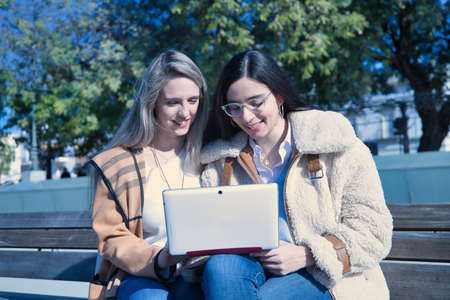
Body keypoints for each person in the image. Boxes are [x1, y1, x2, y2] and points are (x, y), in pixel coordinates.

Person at [199, 49, 393, 300]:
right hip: (257, 269)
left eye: (256, 103)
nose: (246, 117)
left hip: (330, 276)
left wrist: (307, 254)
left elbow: (373, 232)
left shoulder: (336, 144)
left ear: (279, 96)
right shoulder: (220, 162)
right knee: (221, 267)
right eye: (234, 108)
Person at [89, 49, 208, 300]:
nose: (185, 112)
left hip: (201, 271)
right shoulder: (118, 164)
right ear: (152, 103)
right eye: (173, 102)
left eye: (193, 100)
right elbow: (111, 237)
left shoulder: (211, 155)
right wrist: (160, 258)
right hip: (142, 273)